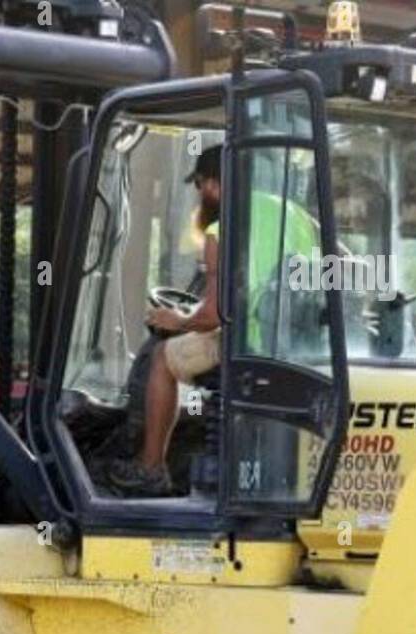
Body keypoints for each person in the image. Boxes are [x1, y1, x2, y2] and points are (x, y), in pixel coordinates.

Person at [106, 143, 320, 496]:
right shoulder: (294, 214)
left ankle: (151, 468)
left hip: (247, 344)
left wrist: (176, 320)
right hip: (292, 346)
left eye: (202, 185)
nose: (201, 193)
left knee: (162, 358)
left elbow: (214, 314)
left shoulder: (221, 230)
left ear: (213, 185)